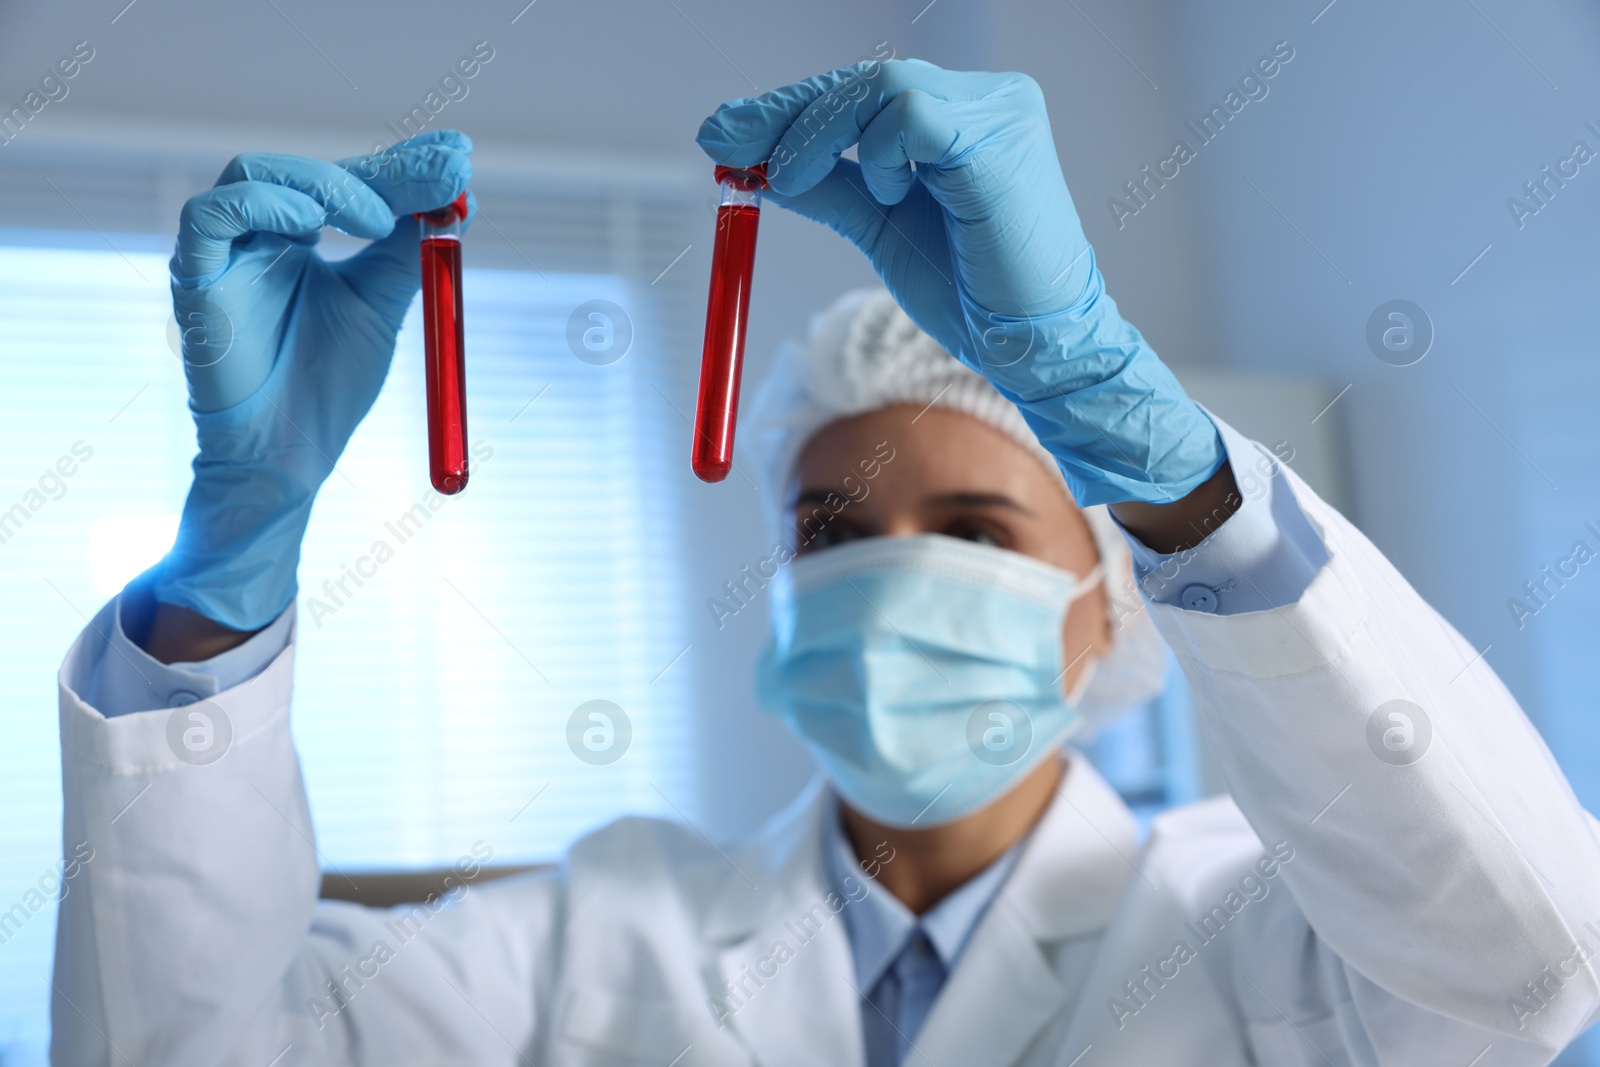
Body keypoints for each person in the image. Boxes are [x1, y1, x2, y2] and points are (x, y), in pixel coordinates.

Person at [50, 60, 1600, 1067]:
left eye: (979, 533)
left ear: (1104, 602)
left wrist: (1157, 451)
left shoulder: (1257, 920)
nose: (889, 580)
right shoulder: (606, 929)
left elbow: (1527, 971)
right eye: (830, 531)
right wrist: (230, 561)